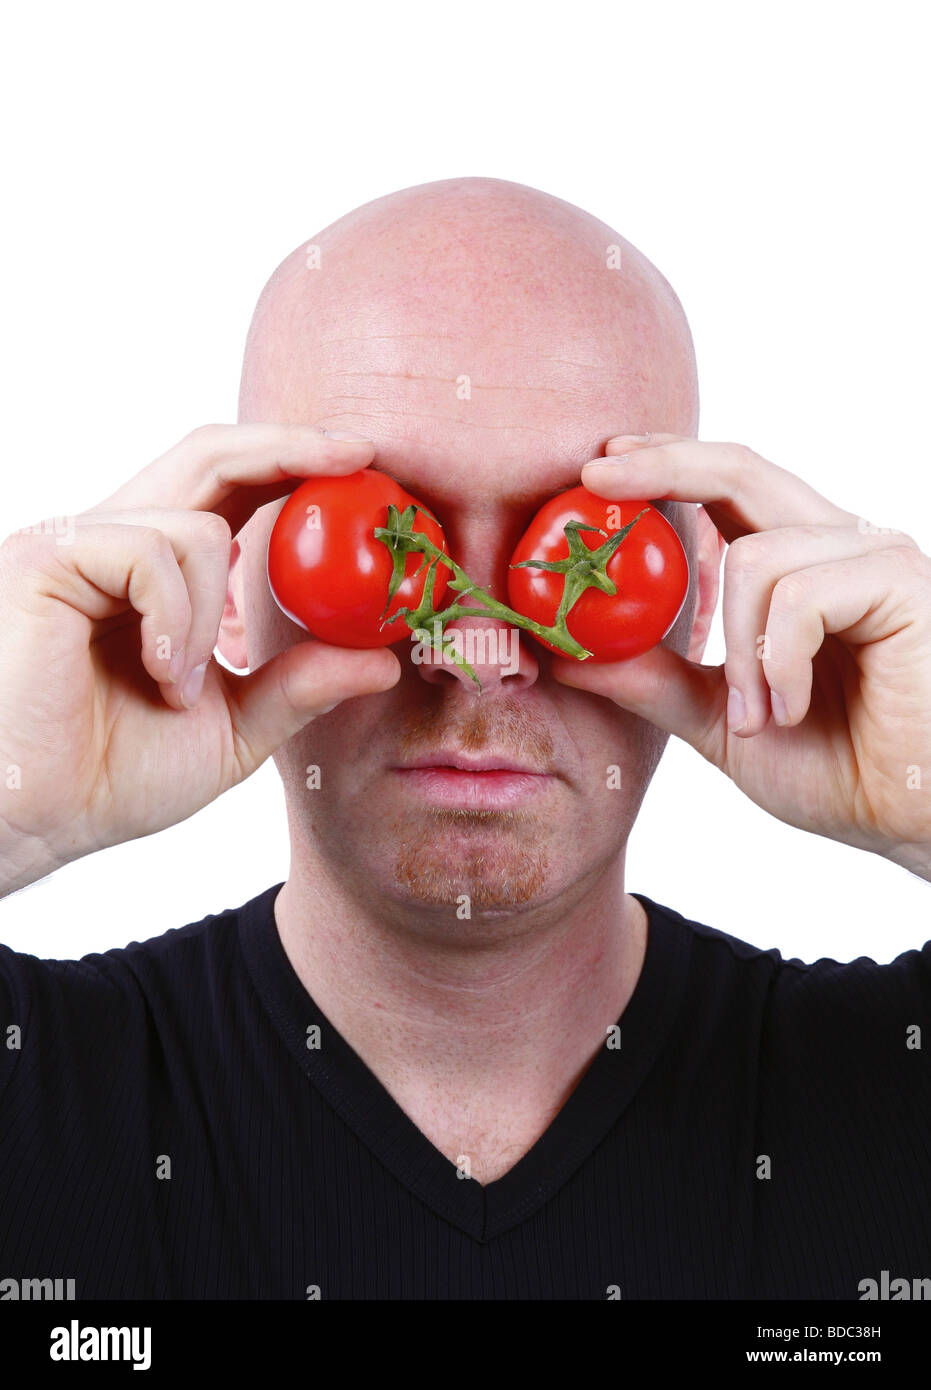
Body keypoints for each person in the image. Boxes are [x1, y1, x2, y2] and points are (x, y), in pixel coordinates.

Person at [1, 177, 929, 1300]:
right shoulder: (37, 1106)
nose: (479, 645)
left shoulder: (890, 1098)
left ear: (701, 605)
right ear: (230, 586)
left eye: (591, 541)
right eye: (377, 532)